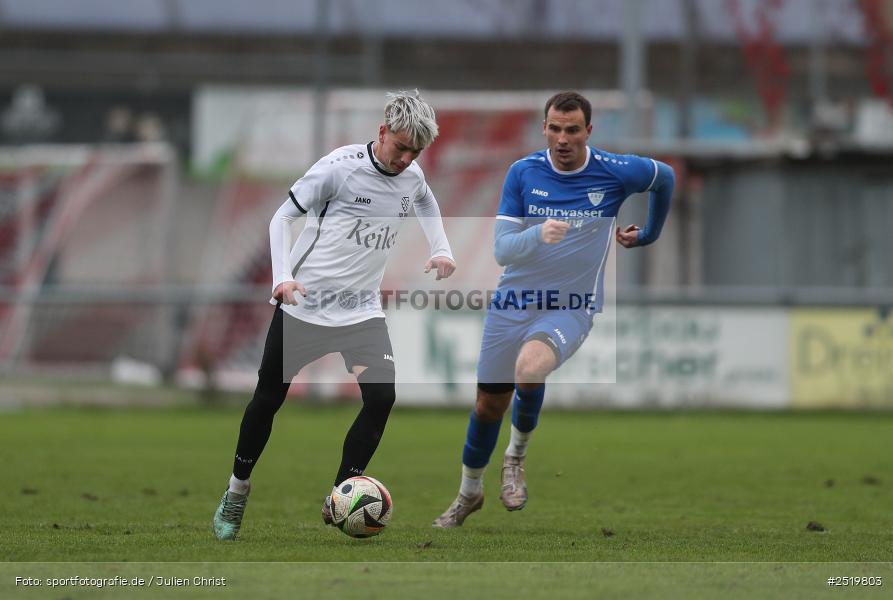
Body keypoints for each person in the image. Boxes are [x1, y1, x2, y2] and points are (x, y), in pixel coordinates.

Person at [213, 90, 456, 540]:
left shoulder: (413, 175)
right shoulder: (337, 170)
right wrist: (281, 278)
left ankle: (341, 493)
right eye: (400, 147)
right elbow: (280, 219)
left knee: (381, 399)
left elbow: (424, 199)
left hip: (360, 314)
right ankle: (237, 490)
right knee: (268, 400)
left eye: (415, 152)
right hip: (304, 306)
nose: (406, 158)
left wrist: (441, 248)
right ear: (382, 132)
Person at [432, 91, 674, 528]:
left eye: (572, 130)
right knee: (488, 406)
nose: (563, 138)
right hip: (512, 303)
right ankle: (469, 493)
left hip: (571, 306)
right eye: (555, 128)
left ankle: (515, 460)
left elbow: (666, 177)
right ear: (544, 128)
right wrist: (537, 234)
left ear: (588, 131)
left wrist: (648, 235)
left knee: (530, 368)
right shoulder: (523, 174)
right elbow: (503, 250)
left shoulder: (616, 172)